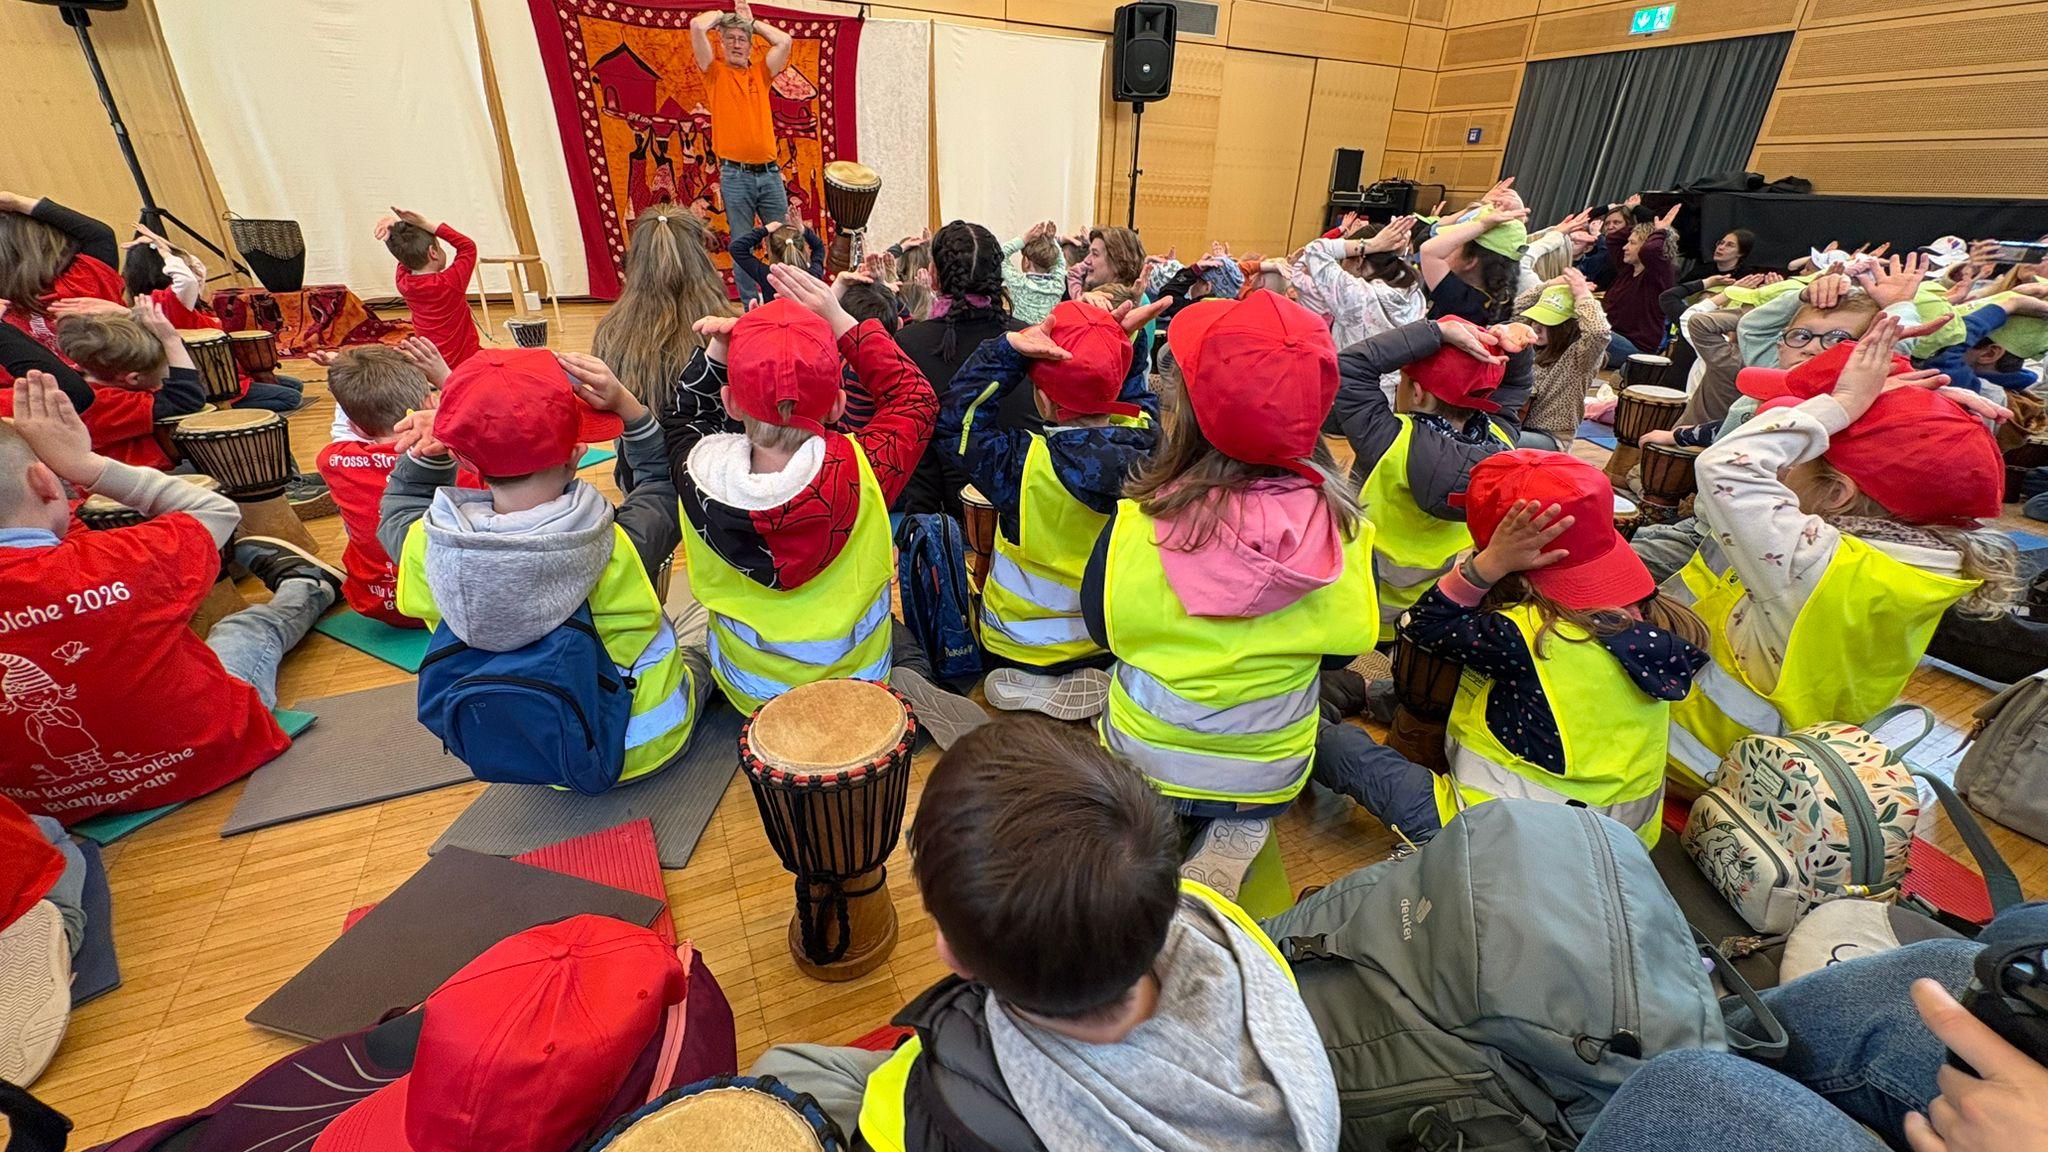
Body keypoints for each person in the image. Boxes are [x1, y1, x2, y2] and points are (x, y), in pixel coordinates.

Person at [750, 716, 1340, 1152]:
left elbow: (894, 1116)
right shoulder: (1223, 926)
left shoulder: (934, 1104)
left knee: (782, 1066)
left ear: (954, 957)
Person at [1083, 292, 1379, 898]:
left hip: (1148, 753)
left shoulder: (1136, 525)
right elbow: (1342, 657)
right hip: (1269, 766)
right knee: (1289, 719)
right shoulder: (1348, 534)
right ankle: (1237, 824)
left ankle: (1159, 822)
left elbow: (1100, 628)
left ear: (1188, 409)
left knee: (1124, 705)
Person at [1664, 314, 2020, 789]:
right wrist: (1918, 405)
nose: (1782, 457)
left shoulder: (1812, 561)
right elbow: (1924, 467)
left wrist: (1848, 402)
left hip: (1683, 753)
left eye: (1799, 452)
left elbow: (1726, 465)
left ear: (1837, 494)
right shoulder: (1921, 559)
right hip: (1762, 770)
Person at [658, 263, 985, 745]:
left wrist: (719, 352)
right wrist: (839, 319)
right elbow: (915, 399)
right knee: (899, 638)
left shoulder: (697, 470)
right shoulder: (865, 468)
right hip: (859, 673)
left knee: (698, 636)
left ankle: (701, 692)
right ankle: (907, 687)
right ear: (836, 403)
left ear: (730, 402)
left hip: (757, 689)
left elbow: (683, 414)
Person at [0, 372, 341, 825]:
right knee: (240, 628)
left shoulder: (103, 558)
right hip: (210, 751)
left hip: (42, 806)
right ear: (46, 482)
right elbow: (215, 509)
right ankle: (306, 586)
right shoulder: (120, 559)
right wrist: (86, 466)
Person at [377, 347, 707, 786]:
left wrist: (429, 455)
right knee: (700, 644)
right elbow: (659, 483)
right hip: (651, 744)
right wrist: (631, 411)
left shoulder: (423, 544)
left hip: (539, 754)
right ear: (577, 456)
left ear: (463, 462)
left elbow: (398, 507)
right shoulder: (620, 542)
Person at [1383, 452, 1705, 846]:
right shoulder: (1648, 615)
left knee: (1345, 752)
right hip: (1621, 849)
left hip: (1506, 842)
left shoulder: (1520, 633)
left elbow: (1421, 625)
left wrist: (1484, 567)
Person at [940, 298, 1164, 720]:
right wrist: (1120, 353)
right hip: (1108, 639)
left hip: (1021, 643)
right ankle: (1114, 680)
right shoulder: (1153, 449)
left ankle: (1030, 679)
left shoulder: (1022, 464)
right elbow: (1137, 402)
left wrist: (1007, 352)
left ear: (1042, 400)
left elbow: (957, 421)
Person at [1327, 316, 1523, 644]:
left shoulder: (1390, 443)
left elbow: (1349, 365)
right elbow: (1516, 388)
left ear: (1416, 392)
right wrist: (1514, 348)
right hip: (1435, 606)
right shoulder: (1504, 444)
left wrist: (1435, 332)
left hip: (1362, 601)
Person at [317, 345, 480, 629]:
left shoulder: (331, 460)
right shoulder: (465, 456)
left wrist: (341, 372)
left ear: (355, 427)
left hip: (376, 603)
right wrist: (446, 378)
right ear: (431, 403)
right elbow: (481, 421)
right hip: (458, 603)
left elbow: (345, 427)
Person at [894, 221, 1024, 518]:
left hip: (950, 516)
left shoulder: (909, 342)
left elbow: (916, 449)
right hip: (1024, 510)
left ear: (935, 278)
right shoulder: (1027, 337)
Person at [120, 224, 307, 415]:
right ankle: (218, 408)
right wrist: (165, 252)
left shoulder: (180, 300)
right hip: (212, 383)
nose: (190, 268)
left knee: (295, 385)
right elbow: (188, 280)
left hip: (226, 375)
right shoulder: (167, 302)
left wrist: (161, 243)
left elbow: (196, 267)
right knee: (292, 398)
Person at [690, 0, 795, 305]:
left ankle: (785, 302)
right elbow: (698, 25)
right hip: (735, 175)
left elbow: (784, 41)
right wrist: (725, 16)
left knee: (784, 240)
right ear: (720, 43)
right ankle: (752, 308)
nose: (737, 44)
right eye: (731, 38)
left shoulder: (761, 73)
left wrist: (752, 23)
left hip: (770, 174)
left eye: (742, 39)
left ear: (750, 46)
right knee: (742, 245)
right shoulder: (714, 72)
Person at [590, 206, 734, 425]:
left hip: (636, 453)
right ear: (702, 259)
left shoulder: (611, 330)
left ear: (635, 261)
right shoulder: (723, 329)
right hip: (709, 454)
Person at [45, 302, 206, 470]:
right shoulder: (105, 402)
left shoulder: (90, 377)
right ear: (134, 379)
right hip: (135, 481)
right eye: (165, 370)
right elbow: (187, 398)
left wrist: (129, 314)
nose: (168, 377)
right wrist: (171, 340)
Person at [0, 192, 125, 367]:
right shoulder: (85, 278)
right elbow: (99, 235)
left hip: (45, 391)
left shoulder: (4, 311)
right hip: (126, 386)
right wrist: (16, 202)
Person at [1284, 216, 1425, 359]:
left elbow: (1315, 249)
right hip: (1390, 378)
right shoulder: (1412, 292)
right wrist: (1396, 253)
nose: (1341, 265)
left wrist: (1374, 244)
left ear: (1359, 260)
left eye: (1343, 258)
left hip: (1349, 377)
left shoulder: (1356, 294)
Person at [1510, 271, 1607, 451]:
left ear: (1568, 328)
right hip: (1517, 426)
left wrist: (1582, 295)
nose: (1537, 327)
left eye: (1549, 323)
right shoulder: (1531, 344)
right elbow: (1513, 312)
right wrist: (1548, 285)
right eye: (1536, 319)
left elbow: (1598, 332)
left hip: (1550, 438)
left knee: (1495, 439)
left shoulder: (1578, 358)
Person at [376, 207, 480, 369]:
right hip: (466, 361)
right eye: (439, 246)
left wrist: (394, 232)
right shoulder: (450, 282)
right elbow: (467, 246)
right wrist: (423, 223)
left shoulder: (403, 282)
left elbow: (404, 254)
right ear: (433, 252)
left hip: (431, 363)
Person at [1419, 186, 1529, 326]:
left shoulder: (1460, 300)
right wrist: (1516, 220)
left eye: (1455, 245)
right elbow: (1510, 247)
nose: (1447, 249)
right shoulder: (1500, 298)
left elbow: (1428, 251)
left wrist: (1483, 225)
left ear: (1470, 261)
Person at [1601, 204, 1682, 366]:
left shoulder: (1660, 274)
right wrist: (1639, 225)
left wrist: (1659, 231)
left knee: (1585, 331)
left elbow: (1651, 250)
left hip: (1636, 349)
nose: (1625, 247)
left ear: (1644, 245)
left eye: (1632, 243)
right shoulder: (1627, 269)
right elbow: (1612, 238)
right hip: (1612, 337)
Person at [727, 205, 826, 303]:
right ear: (801, 247)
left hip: (775, 319)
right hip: (808, 319)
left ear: (770, 250)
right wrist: (802, 229)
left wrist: (765, 230)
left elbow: (736, 248)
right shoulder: (812, 275)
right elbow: (819, 247)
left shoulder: (769, 276)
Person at [1000, 220, 1068, 325]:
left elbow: (1000, 255)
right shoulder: (1057, 285)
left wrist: (1025, 238)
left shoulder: (1019, 282)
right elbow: (1061, 263)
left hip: (1021, 335)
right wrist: (1051, 241)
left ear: (1026, 262)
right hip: (1047, 337)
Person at [1068, 225, 1146, 299]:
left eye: (1095, 254)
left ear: (1119, 263)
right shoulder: (1086, 293)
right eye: (1089, 253)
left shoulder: (1136, 305)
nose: (1086, 260)